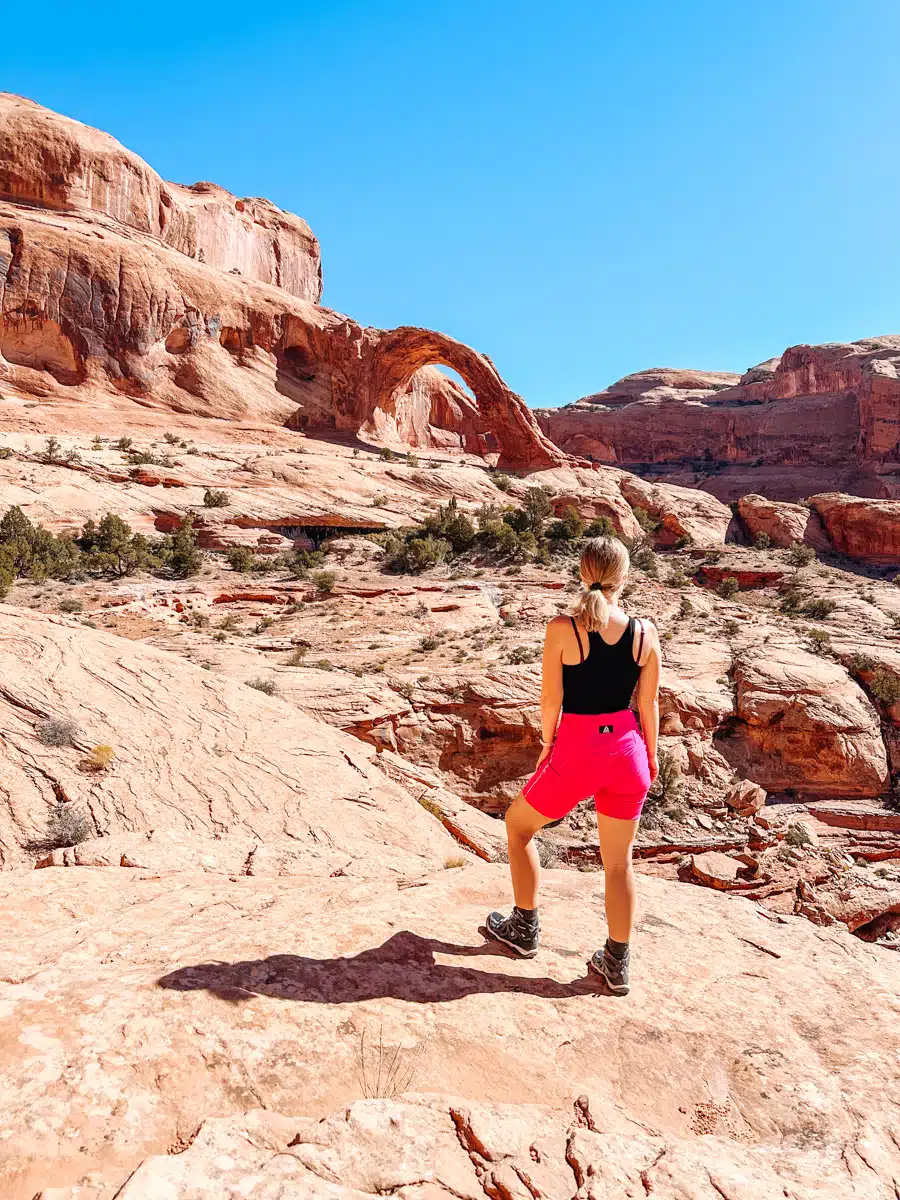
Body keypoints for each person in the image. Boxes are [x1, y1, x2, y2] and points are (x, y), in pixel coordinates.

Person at [486, 535, 660, 995]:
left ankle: (524, 930)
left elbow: (551, 699)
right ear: (624, 577)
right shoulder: (644, 633)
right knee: (618, 864)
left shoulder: (563, 629)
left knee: (519, 827)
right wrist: (652, 757)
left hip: (578, 750)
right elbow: (649, 704)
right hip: (627, 753)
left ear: (583, 573)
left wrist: (547, 744)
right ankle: (616, 964)